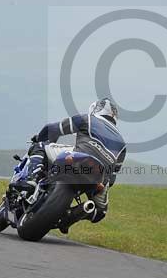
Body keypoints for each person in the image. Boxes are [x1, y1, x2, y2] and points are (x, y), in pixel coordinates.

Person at [23, 98, 126, 233]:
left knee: (40, 146)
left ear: (95, 109)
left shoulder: (87, 119)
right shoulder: (123, 144)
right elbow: (112, 178)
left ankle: (32, 178)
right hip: (99, 175)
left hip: (77, 159)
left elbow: (54, 129)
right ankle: (72, 216)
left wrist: (40, 138)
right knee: (100, 212)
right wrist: (100, 185)